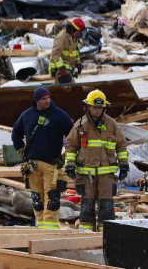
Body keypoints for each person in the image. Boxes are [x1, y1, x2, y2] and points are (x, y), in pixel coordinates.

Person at [64, 90, 128, 231]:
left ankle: (105, 234)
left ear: (104, 107)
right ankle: (86, 234)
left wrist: (124, 165)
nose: (97, 110)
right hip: (87, 174)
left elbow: (121, 145)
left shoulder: (111, 124)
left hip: (106, 174)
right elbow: (71, 146)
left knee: (106, 205)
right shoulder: (80, 125)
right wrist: (69, 164)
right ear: (88, 106)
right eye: (95, 107)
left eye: (100, 107)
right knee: (87, 204)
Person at [11, 87, 73, 229]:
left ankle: (50, 229)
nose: (47, 101)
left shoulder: (59, 115)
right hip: (32, 166)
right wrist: (20, 150)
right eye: (43, 99)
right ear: (36, 101)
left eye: (48, 98)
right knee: (37, 200)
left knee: (52, 199)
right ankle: (39, 227)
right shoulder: (27, 115)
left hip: (52, 165)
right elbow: (16, 133)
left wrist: (65, 157)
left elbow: (73, 137)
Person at [49, 17, 85, 84]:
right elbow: (55, 54)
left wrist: (78, 63)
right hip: (60, 69)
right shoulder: (61, 38)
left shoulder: (73, 37)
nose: (79, 34)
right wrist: (61, 68)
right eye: (78, 32)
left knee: (59, 90)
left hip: (68, 69)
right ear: (72, 29)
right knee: (71, 89)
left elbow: (74, 52)